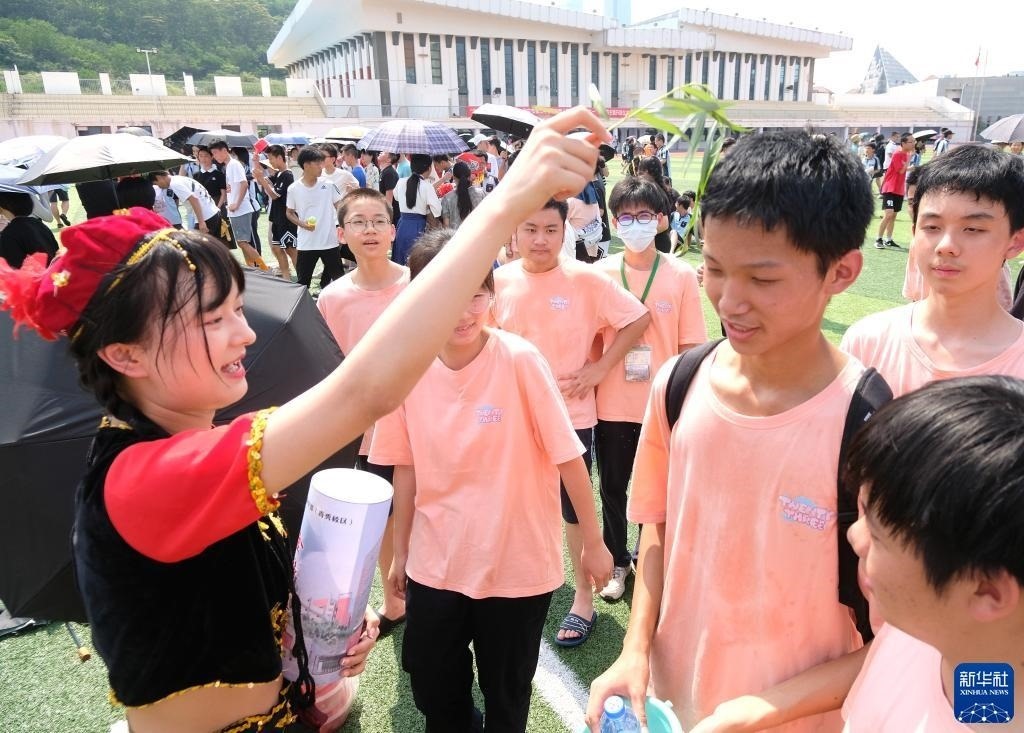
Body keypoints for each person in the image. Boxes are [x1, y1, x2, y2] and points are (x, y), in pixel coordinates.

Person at [0, 105, 613, 733]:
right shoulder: (148, 477)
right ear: (124, 354)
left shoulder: (183, 446)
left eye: (237, 310)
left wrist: (316, 627)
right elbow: (364, 392)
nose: (242, 335)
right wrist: (505, 204)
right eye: (211, 320)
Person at [586, 130, 876, 733]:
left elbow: (908, 635)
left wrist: (763, 711)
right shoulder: (679, 383)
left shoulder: (872, 424)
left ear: (841, 272)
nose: (730, 302)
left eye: (762, 280)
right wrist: (635, 649)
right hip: (674, 706)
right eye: (714, 270)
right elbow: (657, 526)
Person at [687, 376, 1024, 733]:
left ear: (987, 591)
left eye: (877, 536)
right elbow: (899, 662)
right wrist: (761, 709)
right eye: (862, 512)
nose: (854, 536)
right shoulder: (964, 650)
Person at [375, 228, 612, 733]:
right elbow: (405, 465)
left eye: (476, 294)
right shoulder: (405, 368)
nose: (464, 312)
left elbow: (569, 457)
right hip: (437, 559)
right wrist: (401, 551)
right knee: (432, 683)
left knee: (507, 693)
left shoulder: (520, 360)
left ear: (491, 292)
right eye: (447, 296)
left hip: (514, 562)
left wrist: (594, 544)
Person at [493, 199, 650, 648]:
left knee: (574, 509)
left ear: (565, 232)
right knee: (515, 501)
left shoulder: (586, 279)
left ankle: (583, 597)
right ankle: (521, 580)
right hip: (512, 416)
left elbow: (638, 318)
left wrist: (599, 369)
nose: (540, 239)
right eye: (530, 229)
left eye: (550, 229)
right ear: (515, 233)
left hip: (570, 415)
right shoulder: (499, 281)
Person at [593, 177, 706, 601]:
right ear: (613, 221)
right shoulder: (599, 274)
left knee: (656, 488)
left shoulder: (681, 275)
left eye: (644, 216)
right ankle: (617, 561)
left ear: (661, 220)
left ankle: (646, 556)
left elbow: (690, 346)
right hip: (611, 402)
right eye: (625, 217)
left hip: (661, 405)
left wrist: (684, 402)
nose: (635, 224)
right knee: (612, 486)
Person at [843, 145, 1024, 396]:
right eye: (932, 227)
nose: (946, 246)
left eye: (973, 229)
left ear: (1015, 242)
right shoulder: (867, 340)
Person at [317, 188, 409, 638]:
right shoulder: (332, 298)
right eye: (358, 222)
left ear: (393, 230)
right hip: (367, 431)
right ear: (341, 234)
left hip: (424, 422)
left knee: (427, 509)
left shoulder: (418, 284)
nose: (369, 230)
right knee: (384, 517)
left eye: (378, 221)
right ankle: (396, 601)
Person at [286, 147, 345, 291]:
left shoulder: (328, 185)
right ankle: (304, 305)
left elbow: (340, 207)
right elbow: (289, 213)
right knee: (303, 284)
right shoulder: (293, 188)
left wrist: (346, 224)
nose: (321, 167)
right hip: (306, 244)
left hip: (329, 241)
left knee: (340, 280)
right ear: (306, 165)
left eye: (321, 163)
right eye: (318, 163)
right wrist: (302, 224)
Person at [210, 141, 265, 269]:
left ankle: (263, 268)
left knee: (243, 242)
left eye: (215, 153)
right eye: (213, 153)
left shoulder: (234, 164)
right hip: (235, 210)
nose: (214, 156)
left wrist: (237, 204)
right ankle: (253, 268)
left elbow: (244, 184)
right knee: (242, 243)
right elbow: (234, 187)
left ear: (224, 150)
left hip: (241, 209)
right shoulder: (229, 166)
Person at [252, 145, 299, 280]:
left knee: (291, 250)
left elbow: (274, 195)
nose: (270, 161)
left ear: (279, 157)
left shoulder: (287, 175)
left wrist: (262, 180)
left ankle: (302, 278)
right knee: (277, 249)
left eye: (271, 158)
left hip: (286, 219)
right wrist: (256, 162)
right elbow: (261, 179)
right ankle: (286, 278)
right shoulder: (279, 174)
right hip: (277, 218)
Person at [391, 154, 441, 266]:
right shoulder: (427, 186)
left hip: (402, 225)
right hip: (418, 226)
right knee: (416, 262)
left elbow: (396, 197)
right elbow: (437, 210)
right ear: (429, 168)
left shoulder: (401, 182)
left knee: (400, 259)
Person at [148, 170, 222, 239]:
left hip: (206, 217)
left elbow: (194, 199)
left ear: (159, 177)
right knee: (214, 245)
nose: (158, 186)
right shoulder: (179, 179)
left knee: (198, 246)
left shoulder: (175, 184)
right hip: (213, 212)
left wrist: (201, 222)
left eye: (156, 183)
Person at [874, 132, 915, 250]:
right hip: (890, 188)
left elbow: (903, 170)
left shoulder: (905, 154)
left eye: (914, 141)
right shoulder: (898, 153)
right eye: (911, 142)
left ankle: (889, 239)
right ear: (903, 143)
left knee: (893, 216)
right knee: (889, 214)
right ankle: (878, 239)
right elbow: (901, 170)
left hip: (899, 189)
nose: (913, 144)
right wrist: (909, 159)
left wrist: (909, 165)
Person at [0, 192, 59, 268]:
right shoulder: (37, 223)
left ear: (2, 208)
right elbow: (55, 250)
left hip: (33, 274)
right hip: (53, 271)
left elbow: (10, 267)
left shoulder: (9, 233)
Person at [635, 157, 675, 253]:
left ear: (647, 172)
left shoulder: (654, 191)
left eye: (640, 172)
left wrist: (641, 234)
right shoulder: (658, 189)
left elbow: (664, 224)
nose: (638, 174)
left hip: (656, 243)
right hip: (657, 241)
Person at [440, 161, 484, 230]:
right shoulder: (481, 193)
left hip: (455, 235)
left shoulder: (447, 198)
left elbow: (446, 225)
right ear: (469, 175)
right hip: (478, 234)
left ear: (453, 177)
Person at [377, 151, 401, 226]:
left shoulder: (389, 173)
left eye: (384, 152)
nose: (381, 152)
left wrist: (387, 217)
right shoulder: (385, 171)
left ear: (389, 160)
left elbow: (389, 198)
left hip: (392, 215)